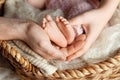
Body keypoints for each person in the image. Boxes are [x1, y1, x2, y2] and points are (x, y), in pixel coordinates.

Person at [0, 0, 120, 61]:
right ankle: (63, 38)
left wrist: (105, 10)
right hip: (62, 17)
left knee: (78, 17)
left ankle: (68, 35)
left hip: (88, 14)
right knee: (60, 20)